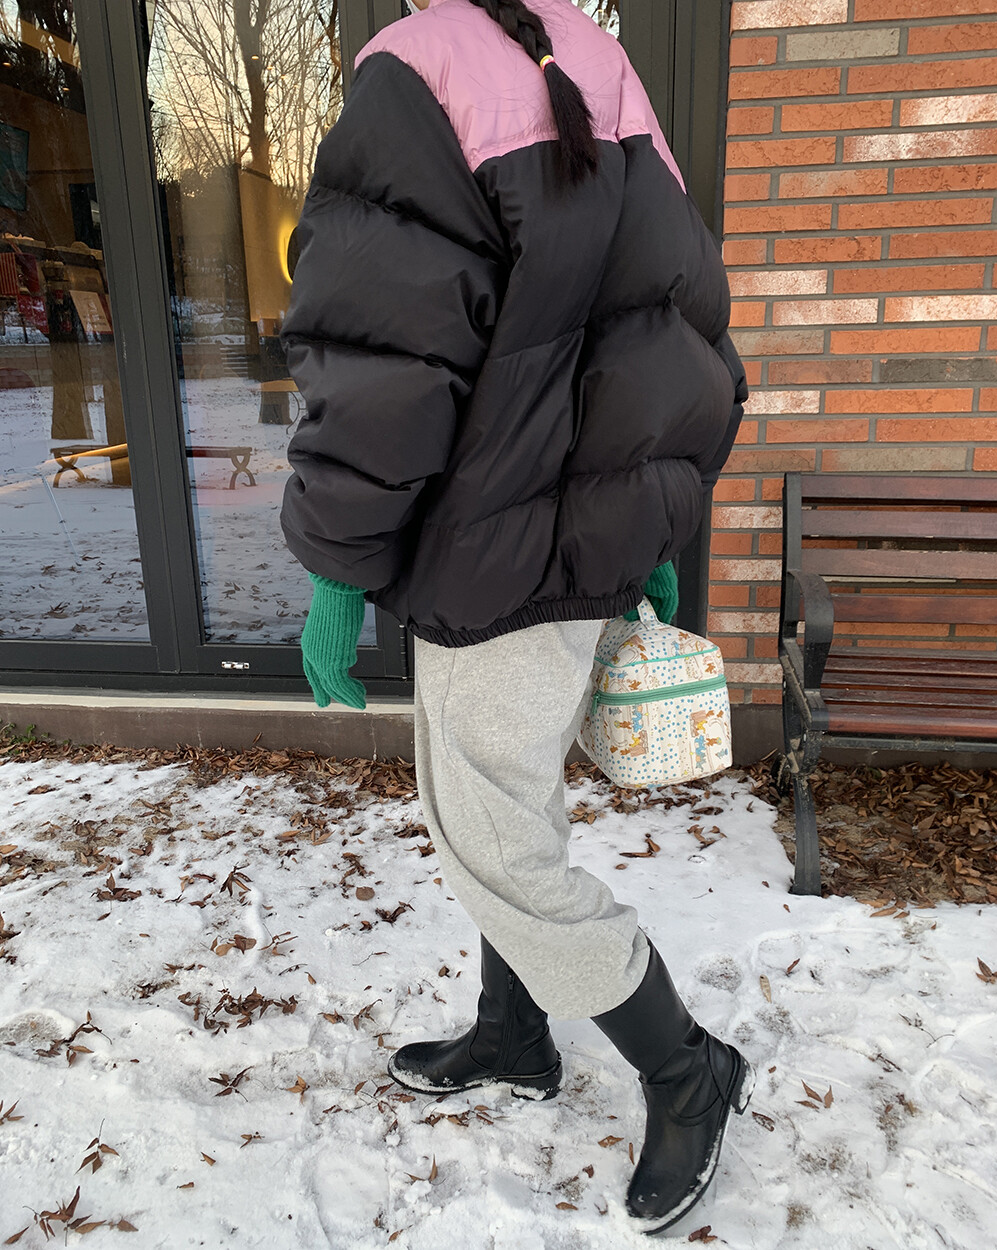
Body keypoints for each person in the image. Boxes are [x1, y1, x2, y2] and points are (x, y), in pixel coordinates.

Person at [279, 0, 751, 1234]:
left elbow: (383, 362)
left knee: (493, 838)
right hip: (574, 535)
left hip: (491, 550)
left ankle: (684, 1067)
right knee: (514, 804)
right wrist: (646, 534)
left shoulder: (417, 67)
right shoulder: (598, 62)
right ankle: (512, 1030)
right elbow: (678, 322)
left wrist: (338, 566)